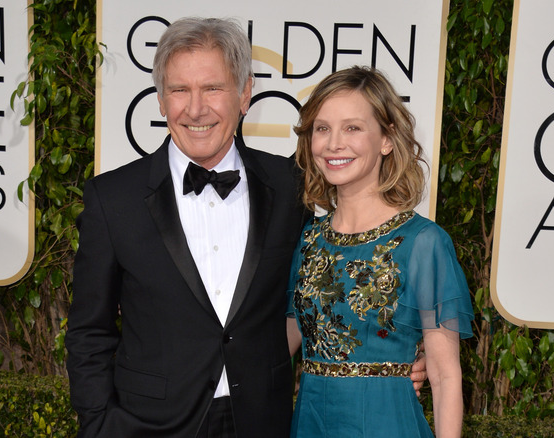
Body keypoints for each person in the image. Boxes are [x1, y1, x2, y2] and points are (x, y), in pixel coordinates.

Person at [65, 17, 426, 438]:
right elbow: (89, 331)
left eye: (213, 88)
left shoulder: (289, 185)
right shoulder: (113, 199)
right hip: (148, 426)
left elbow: (321, 295)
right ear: (161, 100)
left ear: (245, 93)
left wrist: (396, 359)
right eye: (180, 89)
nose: (195, 108)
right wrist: (99, 425)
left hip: (262, 421)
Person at [286, 66, 474, 438]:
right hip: (310, 424)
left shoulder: (423, 242)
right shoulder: (308, 239)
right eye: (322, 128)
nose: (334, 143)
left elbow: (444, 374)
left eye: (352, 128)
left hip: (387, 424)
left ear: (387, 139)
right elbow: (280, 344)